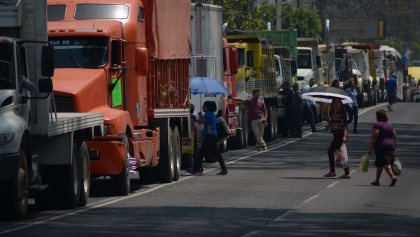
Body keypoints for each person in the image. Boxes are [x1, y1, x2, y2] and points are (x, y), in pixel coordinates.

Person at [187, 101, 228, 175]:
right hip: (213, 136)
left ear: (207, 107)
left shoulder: (208, 114)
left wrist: (199, 116)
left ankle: (195, 169)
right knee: (216, 153)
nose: (202, 107)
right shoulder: (212, 114)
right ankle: (224, 168)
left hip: (210, 136)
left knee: (201, 153)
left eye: (204, 106)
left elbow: (200, 122)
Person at [368, 110, 398, 186]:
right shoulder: (390, 125)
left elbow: (375, 136)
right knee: (380, 163)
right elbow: (394, 137)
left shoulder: (377, 125)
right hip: (391, 146)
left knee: (385, 162)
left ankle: (392, 177)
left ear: (377, 117)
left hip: (381, 146)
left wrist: (370, 148)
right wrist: (395, 149)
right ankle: (377, 180)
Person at [324, 98, 350, 178]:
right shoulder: (333, 113)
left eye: (337, 102)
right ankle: (347, 172)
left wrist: (345, 136)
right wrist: (327, 119)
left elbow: (344, 125)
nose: (335, 104)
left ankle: (332, 171)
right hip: (335, 134)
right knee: (342, 154)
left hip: (340, 134)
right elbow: (332, 125)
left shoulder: (342, 113)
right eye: (334, 102)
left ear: (340, 103)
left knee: (330, 151)